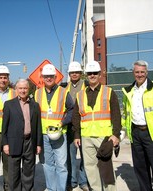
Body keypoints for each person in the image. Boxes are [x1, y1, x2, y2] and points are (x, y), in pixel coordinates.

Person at [121, 60, 153, 191]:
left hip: (152, 133)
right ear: (133, 73)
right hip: (135, 133)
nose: (140, 75)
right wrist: (123, 130)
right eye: (137, 72)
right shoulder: (128, 91)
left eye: (142, 72)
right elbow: (125, 113)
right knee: (140, 167)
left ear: (147, 72)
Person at [72, 61, 121, 191]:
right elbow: (76, 117)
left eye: (95, 73)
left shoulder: (109, 92)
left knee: (106, 167)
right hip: (86, 136)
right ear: (86, 75)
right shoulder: (80, 95)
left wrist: (116, 134)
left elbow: (116, 114)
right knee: (90, 167)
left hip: (104, 136)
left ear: (99, 75)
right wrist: (77, 135)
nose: (92, 75)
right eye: (90, 73)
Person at [34, 63, 74, 191]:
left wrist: (62, 123)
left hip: (59, 135)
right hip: (44, 135)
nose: (49, 78)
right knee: (47, 164)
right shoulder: (37, 93)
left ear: (55, 77)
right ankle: (51, 188)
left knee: (61, 165)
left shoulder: (64, 92)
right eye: (46, 76)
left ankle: (61, 189)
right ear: (42, 77)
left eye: (51, 76)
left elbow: (72, 110)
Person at [1, 79, 43, 191]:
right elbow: (4, 126)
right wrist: (5, 143)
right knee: (13, 172)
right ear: (16, 89)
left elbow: (38, 125)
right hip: (13, 142)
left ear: (28, 89)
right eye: (20, 88)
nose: (23, 91)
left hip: (30, 141)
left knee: (29, 170)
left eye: (25, 88)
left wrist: (38, 144)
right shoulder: (9, 104)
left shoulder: (35, 105)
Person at [65, 61, 89, 191]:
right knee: (71, 156)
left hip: (84, 126)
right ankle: (72, 181)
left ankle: (83, 181)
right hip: (70, 127)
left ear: (80, 73)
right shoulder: (64, 88)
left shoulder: (86, 85)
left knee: (85, 156)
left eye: (76, 72)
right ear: (69, 74)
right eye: (72, 72)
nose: (74, 74)